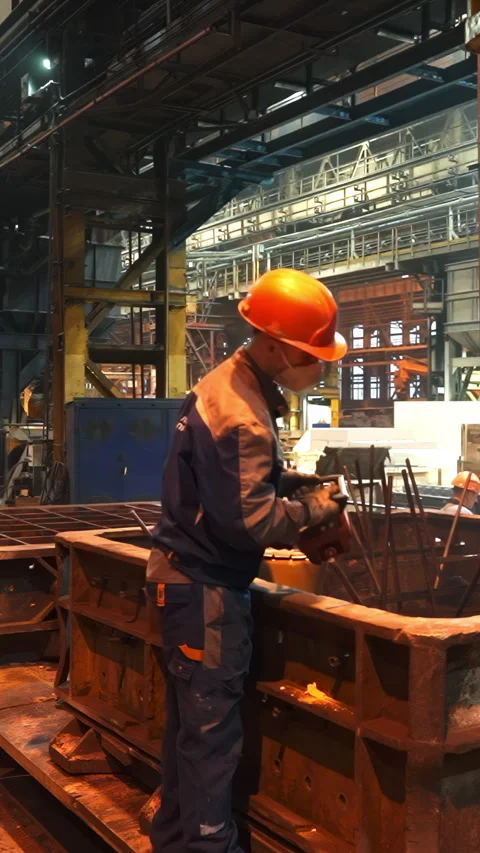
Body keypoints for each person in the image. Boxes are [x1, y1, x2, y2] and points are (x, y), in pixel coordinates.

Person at [145, 268, 348, 853]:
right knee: (210, 743)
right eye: (314, 354)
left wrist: (297, 481)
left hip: (185, 580)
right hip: (205, 591)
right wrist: (313, 508)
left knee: (190, 738)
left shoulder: (232, 385)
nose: (321, 366)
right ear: (281, 345)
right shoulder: (243, 414)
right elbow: (251, 522)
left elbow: (236, 481)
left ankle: (175, 843)